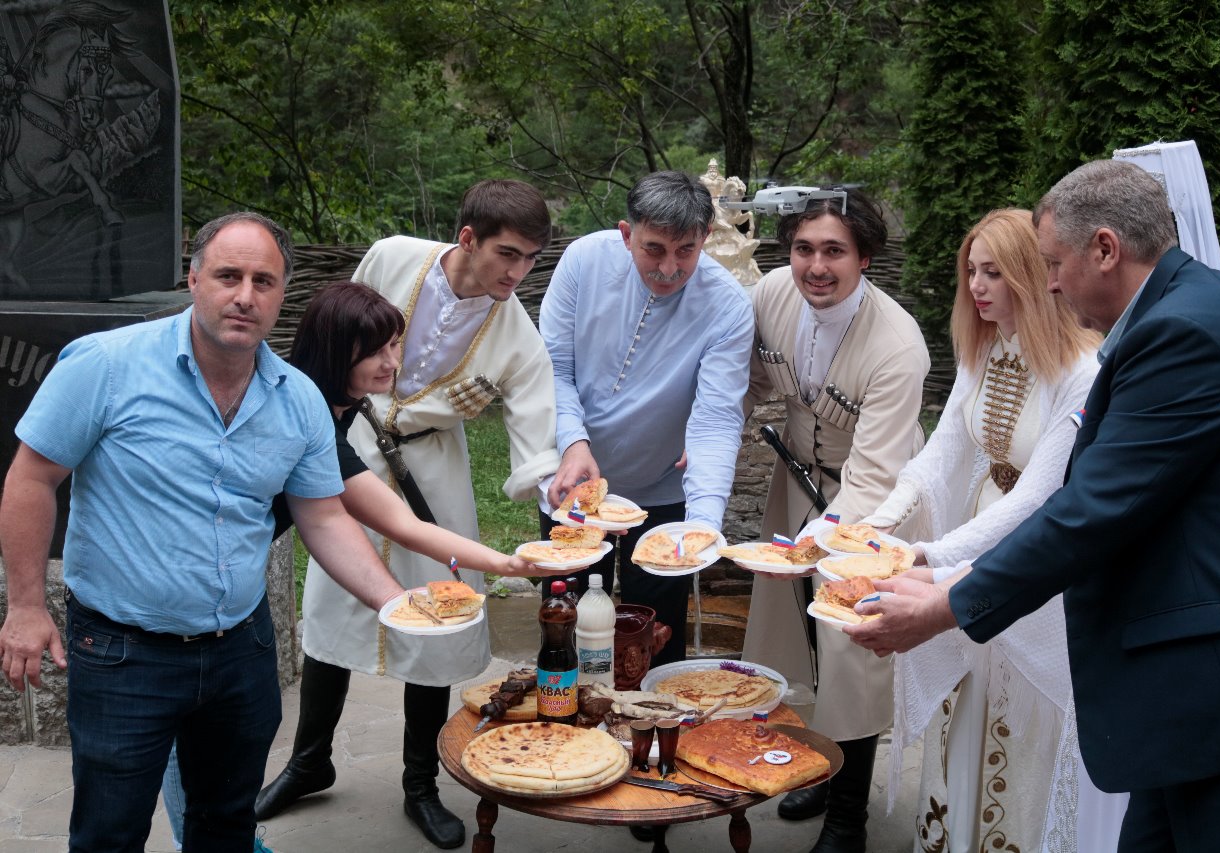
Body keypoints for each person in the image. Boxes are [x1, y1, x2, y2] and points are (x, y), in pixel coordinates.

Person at [848, 159, 1220, 850]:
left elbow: (1087, 511)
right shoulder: (1189, 308)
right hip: (1194, 699)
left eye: (1053, 262)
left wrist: (941, 601)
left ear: (1106, 249)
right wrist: (924, 563)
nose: (1046, 281)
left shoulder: (1181, 335)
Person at [0, 212, 406, 853]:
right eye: (228, 275)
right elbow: (30, 478)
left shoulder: (297, 398)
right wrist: (24, 607)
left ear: (281, 294)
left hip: (238, 653)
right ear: (193, 278)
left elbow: (324, 515)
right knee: (109, 833)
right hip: (122, 653)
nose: (245, 296)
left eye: (264, 281)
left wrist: (395, 603)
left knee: (223, 827)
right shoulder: (105, 367)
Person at [277, 181, 561, 849]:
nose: (517, 274)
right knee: (330, 602)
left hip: (433, 467)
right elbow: (341, 333)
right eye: (507, 255)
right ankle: (308, 761)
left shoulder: (518, 335)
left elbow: (535, 436)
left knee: (439, 612)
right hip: (349, 445)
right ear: (468, 238)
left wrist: (561, 495)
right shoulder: (391, 256)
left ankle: (419, 783)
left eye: (529, 260)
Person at [861, 209, 1124, 851]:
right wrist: (875, 522)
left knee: (1023, 709)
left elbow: (1038, 497)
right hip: (971, 536)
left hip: (1037, 559)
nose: (977, 287)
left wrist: (930, 555)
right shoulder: (983, 347)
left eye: (994, 273)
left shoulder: (1081, 371)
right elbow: (942, 452)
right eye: (971, 271)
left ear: (1033, 277)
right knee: (967, 692)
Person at [738, 190, 930, 853]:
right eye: (803, 249)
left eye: (834, 251)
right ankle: (822, 765)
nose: (816, 266)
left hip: (873, 511)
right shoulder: (770, 296)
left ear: (865, 258)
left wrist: (815, 547)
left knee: (853, 651)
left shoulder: (899, 345)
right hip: (798, 491)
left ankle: (848, 817)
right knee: (799, 634)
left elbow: (877, 475)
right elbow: (751, 380)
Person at [539, 170, 754, 667]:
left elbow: (717, 419)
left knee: (656, 643)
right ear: (625, 233)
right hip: (573, 488)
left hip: (661, 497)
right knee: (563, 632)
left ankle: (654, 743)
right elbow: (551, 368)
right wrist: (573, 442)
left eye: (686, 251)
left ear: (704, 240)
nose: (669, 268)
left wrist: (700, 526)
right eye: (653, 249)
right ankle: (565, 739)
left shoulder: (728, 307)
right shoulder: (583, 261)